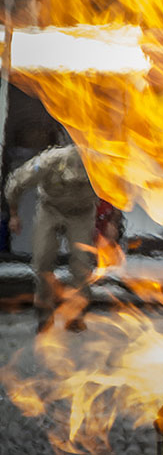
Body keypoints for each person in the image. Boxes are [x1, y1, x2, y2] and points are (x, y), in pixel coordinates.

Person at [5, 142, 99, 332]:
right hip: (51, 209)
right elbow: (16, 182)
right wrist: (14, 215)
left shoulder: (98, 164)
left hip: (82, 213)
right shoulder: (49, 161)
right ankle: (44, 313)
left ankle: (75, 313)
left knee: (82, 264)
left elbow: (116, 193)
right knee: (42, 260)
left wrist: (113, 222)